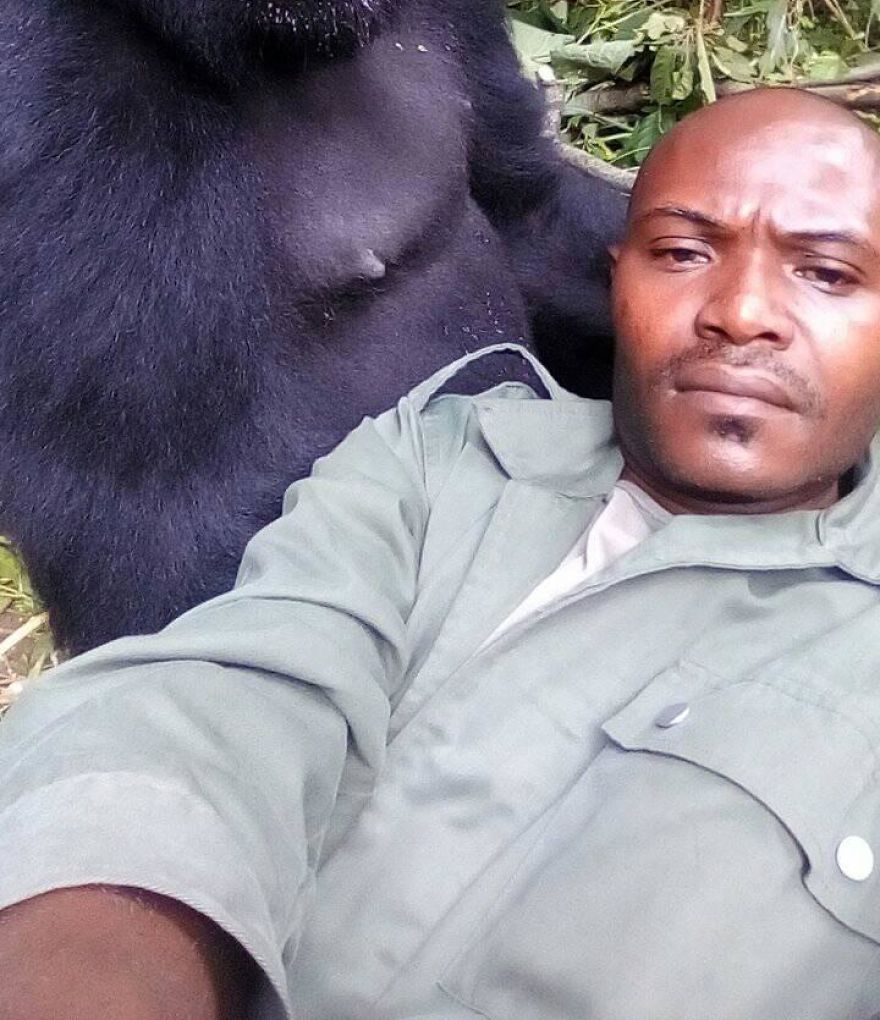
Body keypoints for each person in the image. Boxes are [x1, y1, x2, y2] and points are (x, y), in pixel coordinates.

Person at [2, 85, 880, 1020]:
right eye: (682, 253)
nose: (741, 313)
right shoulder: (439, 456)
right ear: (616, 280)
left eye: (826, 274)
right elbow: (227, 696)